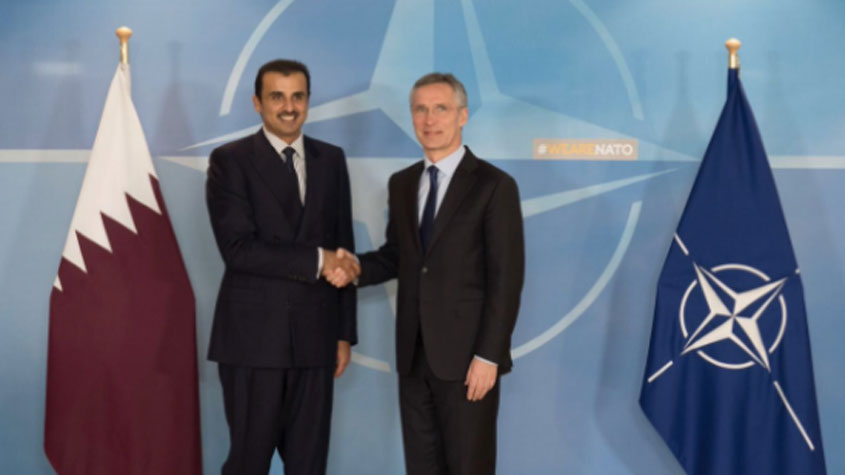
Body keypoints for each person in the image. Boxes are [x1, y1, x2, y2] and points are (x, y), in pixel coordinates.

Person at [332, 72, 525, 475]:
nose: (430, 119)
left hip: (468, 361)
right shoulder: (403, 184)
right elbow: (398, 256)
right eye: (420, 109)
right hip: (413, 357)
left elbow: (506, 278)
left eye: (441, 109)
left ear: (462, 116)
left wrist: (488, 355)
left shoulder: (494, 185)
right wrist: (352, 267)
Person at [205, 59, 359, 475]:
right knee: (248, 464)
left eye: (297, 97)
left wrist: (343, 333)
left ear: (308, 100)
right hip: (253, 343)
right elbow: (238, 250)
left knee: (310, 466)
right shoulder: (230, 160)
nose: (289, 107)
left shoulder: (331, 159)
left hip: (317, 339)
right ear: (257, 103)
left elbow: (344, 249)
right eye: (277, 97)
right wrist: (318, 261)